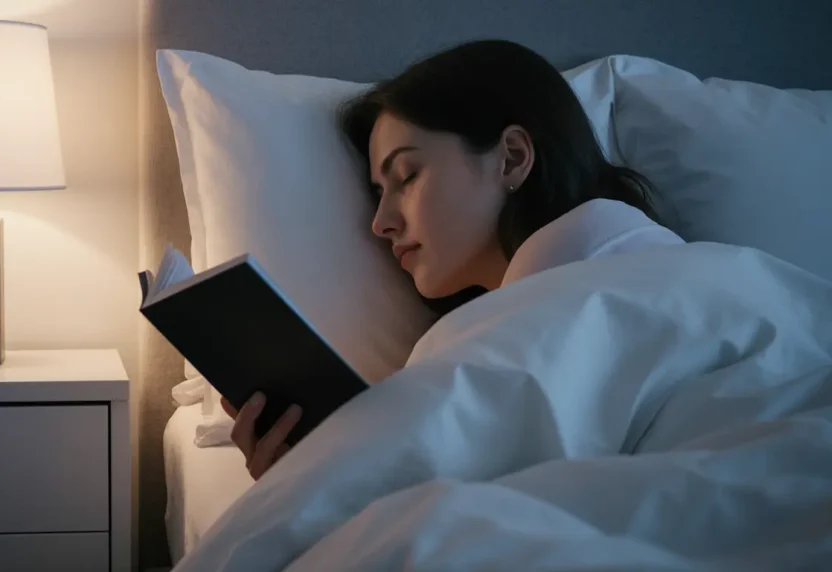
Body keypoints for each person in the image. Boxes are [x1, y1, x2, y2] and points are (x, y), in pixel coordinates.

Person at [222, 39, 685, 480]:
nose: (379, 223)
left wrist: (321, 496)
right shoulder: (478, 342)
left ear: (512, 157)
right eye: (378, 194)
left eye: (406, 176)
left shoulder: (653, 274)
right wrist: (308, 481)